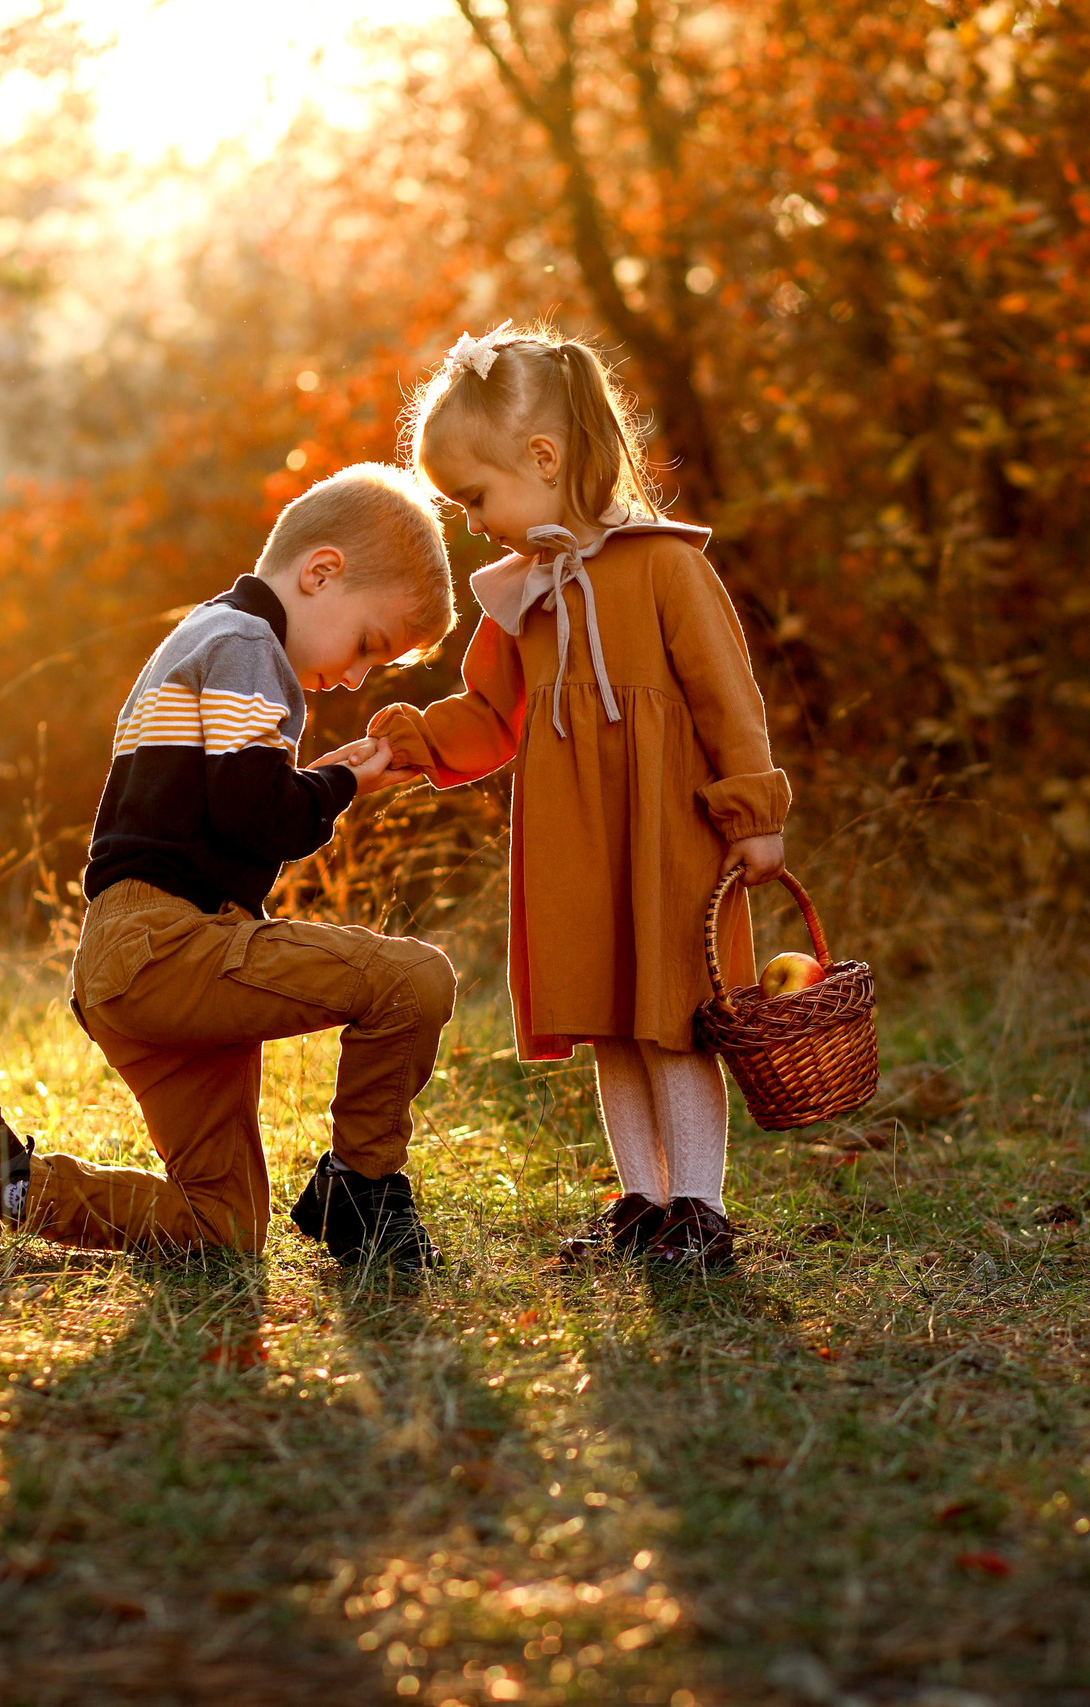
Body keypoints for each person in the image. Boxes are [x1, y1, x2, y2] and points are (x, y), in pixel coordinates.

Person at [0, 464, 460, 1273]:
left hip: (136, 960)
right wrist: (340, 784)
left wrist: (323, 780)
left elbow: (234, 806)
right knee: (412, 981)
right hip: (166, 945)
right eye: (369, 645)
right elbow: (254, 811)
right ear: (320, 572)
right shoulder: (250, 646)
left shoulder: (213, 636)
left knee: (224, 1225)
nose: (355, 675)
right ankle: (362, 1186)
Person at [366, 324, 789, 1272]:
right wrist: (414, 743)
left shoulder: (665, 565)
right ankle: (644, 1199)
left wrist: (753, 815)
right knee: (607, 1013)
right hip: (574, 841)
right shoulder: (519, 596)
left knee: (675, 1017)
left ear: (544, 457)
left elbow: (728, 696)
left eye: (475, 495)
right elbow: (489, 712)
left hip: (668, 833)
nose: (472, 520)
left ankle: (701, 1210)